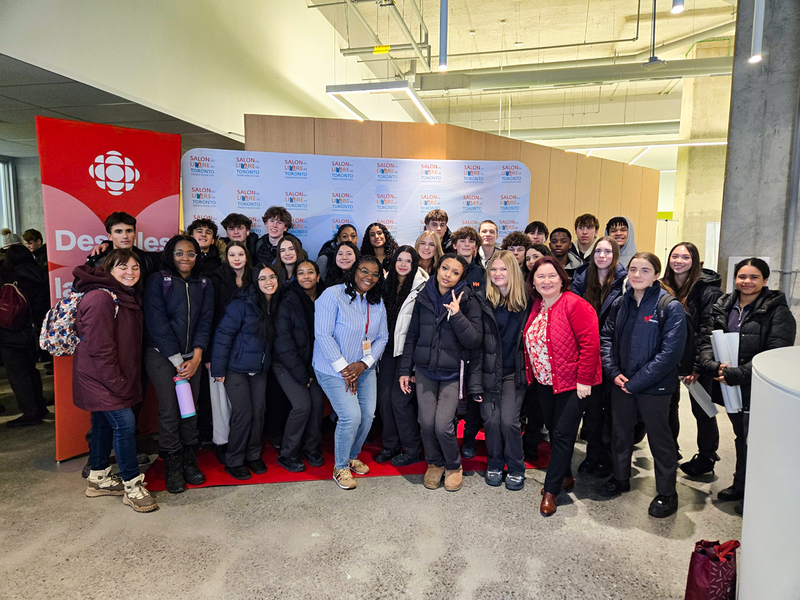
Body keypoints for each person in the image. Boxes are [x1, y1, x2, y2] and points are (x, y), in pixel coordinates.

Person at [698, 258, 796, 515]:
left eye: (754, 277)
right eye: (742, 276)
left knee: (757, 443)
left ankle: (756, 495)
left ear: (765, 280)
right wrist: (713, 367)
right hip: (731, 386)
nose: (747, 282)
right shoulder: (725, 304)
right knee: (741, 438)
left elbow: (776, 353)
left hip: (758, 388)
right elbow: (707, 339)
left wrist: (738, 374)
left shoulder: (777, 311)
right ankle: (740, 485)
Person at [598, 253, 687, 518]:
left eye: (645, 270)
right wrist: (613, 372)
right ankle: (620, 477)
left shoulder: (669, 307)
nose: (637, 275)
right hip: (621, 383)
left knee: (661, 440)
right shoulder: (620, 303)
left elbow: (670, 353)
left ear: (656, 275)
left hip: (654, 388)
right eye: (634, 269)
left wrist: (637, 382)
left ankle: (667, 493)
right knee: (620, 433)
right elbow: (606, 338)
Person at [72, 249, 157, 512]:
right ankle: (132, 485)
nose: (130, 272)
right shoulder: (101, 298)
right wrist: (118, 382)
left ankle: (98, 478)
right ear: (109, 269)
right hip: (102, 378)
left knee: (101, 423)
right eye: (123, 267)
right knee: (124, 424)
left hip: (110, 376)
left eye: (135, 267)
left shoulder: (124, 295)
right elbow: (100, 348)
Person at [524, 256, 601, 516]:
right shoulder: (538, 305)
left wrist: (584, 381)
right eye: (540, 277)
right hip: (545, 382)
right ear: (533, 282)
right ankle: (566, 475)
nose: (546, 281)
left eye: (551, 276)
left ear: (561, 278)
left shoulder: (574, 304)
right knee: (555, 430)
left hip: (573, 384)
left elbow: (590, 345)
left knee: (563, 434)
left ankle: (551, 490)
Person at [399, 255, 483, 492]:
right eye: (445, 268)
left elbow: (475, 339)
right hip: (425, 370)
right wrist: (405, 369)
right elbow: (412, 335)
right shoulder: (424, 295)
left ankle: (454, 466)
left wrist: (457, 315)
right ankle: (434, 463)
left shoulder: (468, 299)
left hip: (452, 374)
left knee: (443, 425)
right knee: (425, 423)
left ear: (461, 278)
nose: (447, 274)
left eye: (455, 272)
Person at [144, 235, 214, 493]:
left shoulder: (204, 283)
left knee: (190, 410)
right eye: (180, 253)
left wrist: (196, 357)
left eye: (191, 253)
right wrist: (176, 360)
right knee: (169, 411)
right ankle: (172, 465)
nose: (185, 258)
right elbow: (157, 322)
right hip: (162, 357)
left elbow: (205, 322)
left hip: (191, 358)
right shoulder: (158, 281)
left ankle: (189, 460)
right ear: (170, 254)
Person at [313, 255, 388, 490]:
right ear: (354, 271)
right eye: (364, 271)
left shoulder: (376, 300)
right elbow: (323, 335)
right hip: (333, 369)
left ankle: (353, 455)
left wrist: (364, 364)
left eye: (375, 274)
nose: (369, 277)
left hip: (363, 367)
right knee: (351, 416)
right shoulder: (333, 294)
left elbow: (383, 337)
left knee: (367, 415)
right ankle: (340, 466)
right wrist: (345, 369)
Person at [211, 263, 280, 480]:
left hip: (259, 370)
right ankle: (234, 459)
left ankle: (252, 455)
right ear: (254, 282)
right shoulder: (241, 304)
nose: (268, 282)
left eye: (272, 277)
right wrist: (218, 369)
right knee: (243, 413)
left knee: (259, 412)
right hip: (235, 369)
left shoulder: (276, 303)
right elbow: (223, 336)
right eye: (262, 279)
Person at [661, 242, 724, 477]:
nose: (679, 261)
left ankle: (707, 456)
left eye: (685, 257)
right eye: (674, 256)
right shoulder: (663, 286)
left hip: (697, 360)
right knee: (668, 405)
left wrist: (697, 365)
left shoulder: (708, 290)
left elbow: (709, 329)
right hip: (669, 358)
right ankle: (670, 448)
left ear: (695, 261)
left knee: (702, 409)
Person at [472, 251, 530, 491]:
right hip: (487, 371)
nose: (497, 274)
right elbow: (474, 345)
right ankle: (495, 463)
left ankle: (516, 467)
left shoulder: (527, 300)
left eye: (502, 269)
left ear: (513, 272)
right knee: (492, 421)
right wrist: (474, 382)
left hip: (514, 372)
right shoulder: (482, 300)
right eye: (493, 270)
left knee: (509, 422)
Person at [571, 236, 626, 477]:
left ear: (615, 255)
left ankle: (610, 458)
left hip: (614, 354)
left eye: (607, 252)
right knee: (592, 412)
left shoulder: (624, 282)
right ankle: (593, 455)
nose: (602, 256)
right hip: (586, 352)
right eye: (598, 251)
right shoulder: (582, 280)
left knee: (613, 412)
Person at [375, 246, 427, 467]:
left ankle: (413, 449)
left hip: (407, 352)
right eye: (400, 260)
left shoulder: (422, 286)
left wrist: (413, 366)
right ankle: (391, 445)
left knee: (400, 400)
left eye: (408, 260)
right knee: (385, 400)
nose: (403, 264)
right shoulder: (384, 283)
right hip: (386, 349)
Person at [273, 260, 326, 472]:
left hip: (312, 365)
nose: (306, 276)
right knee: (302, 405)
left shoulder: (326, 297)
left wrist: (311, 372)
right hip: (287, 363)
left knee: (317, 402)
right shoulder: (288, 300)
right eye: (301, 273)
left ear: (318, 276)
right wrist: (303, 375)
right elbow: (283, 342)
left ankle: (311, 448)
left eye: (310, 272)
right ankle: (287, 453)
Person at [208, 241, 253, 462]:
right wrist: (210, 355)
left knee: (243, 406)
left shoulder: (254, 279)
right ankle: (221, 442)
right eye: (231, 254)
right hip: (220, 346)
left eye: (240, 254)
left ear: (246, 256)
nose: (236, 258)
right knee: (219, 402)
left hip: (246, 352)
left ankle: (241, 444)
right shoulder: (216, 279)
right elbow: (210, 317)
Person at [0, 244, 49, 427]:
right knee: (32, 370)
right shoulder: (42, 274)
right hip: (34, 331)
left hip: (11, 333)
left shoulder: (8, 278)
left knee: (18, 375)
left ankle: (30, 412)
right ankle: (39, 405)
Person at [85, 212, 158, 280]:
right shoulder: (97, 260)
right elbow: (78, 286)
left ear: (135, 234)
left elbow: (168, 255)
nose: (125, 236)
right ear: (110, 236)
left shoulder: (147, 260)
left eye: (129, 231)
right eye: (118, 232)